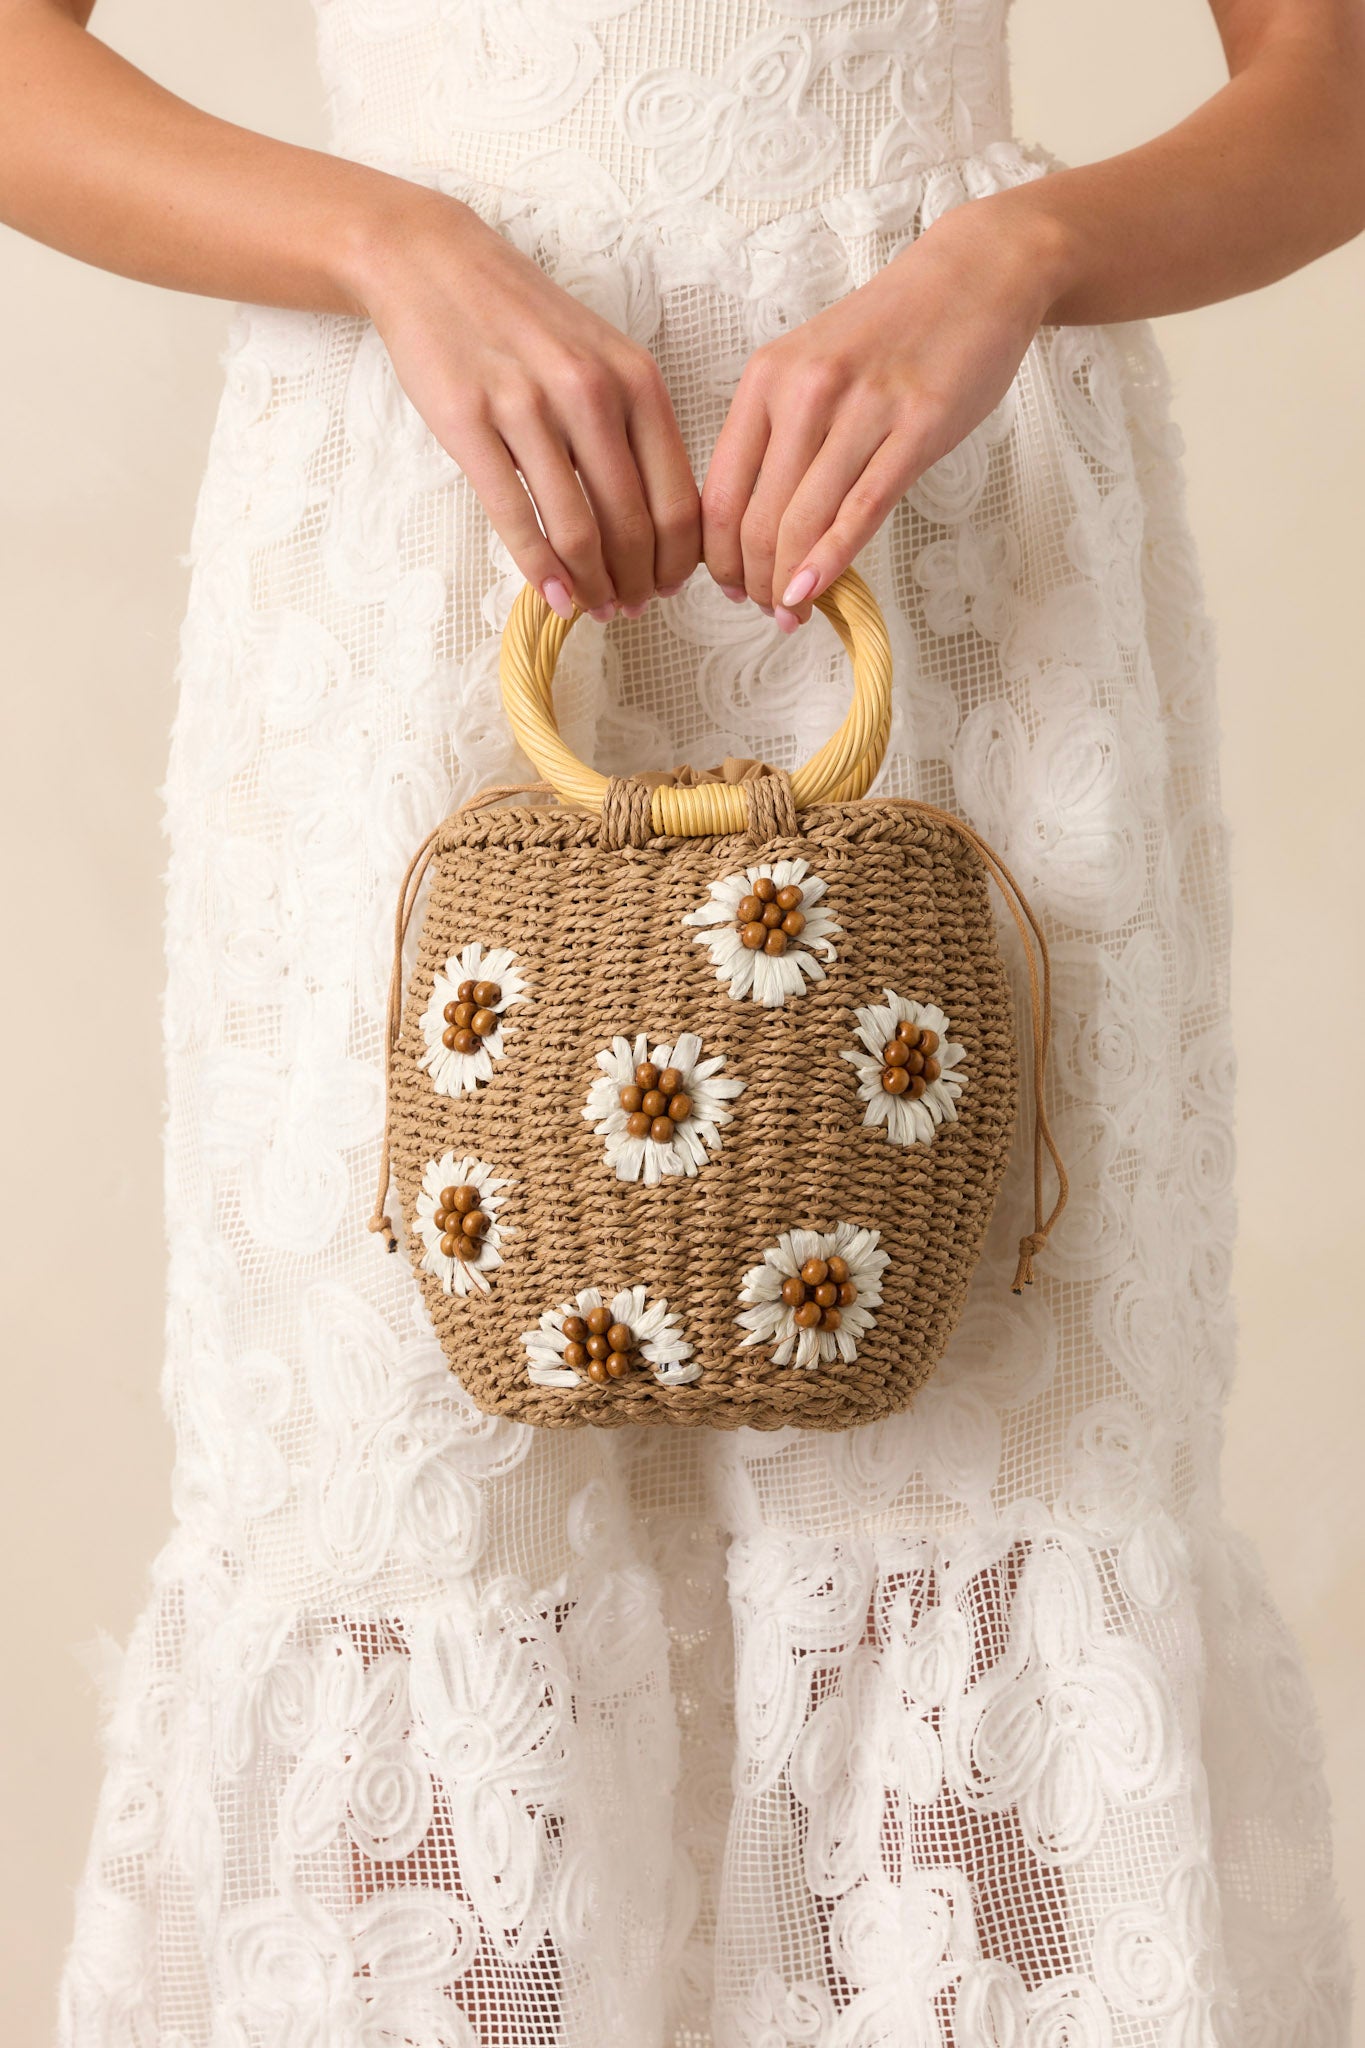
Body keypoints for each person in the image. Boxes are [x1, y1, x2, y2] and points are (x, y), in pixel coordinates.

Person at [3, 0, 1357, 2040]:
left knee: (972, 1479)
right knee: (424, 1506)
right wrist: (387, 243)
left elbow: (1329, 84)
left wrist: (1021, 252)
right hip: (420, 537)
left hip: (948, 526)